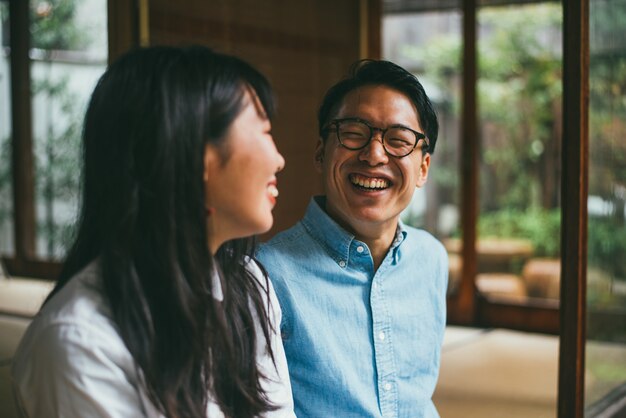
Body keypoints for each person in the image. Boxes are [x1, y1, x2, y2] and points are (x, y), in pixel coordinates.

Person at [12, 45, 295, 418]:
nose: (279, 159)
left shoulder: (248, 287)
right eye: (264, 131)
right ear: (196, 156)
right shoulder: (81, 342)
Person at [257, 59, 448, 418]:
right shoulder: (268, 274)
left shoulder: (432, 259)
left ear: (423, 169)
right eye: (354, 133)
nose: (374, 155)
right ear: (320, 152)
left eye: (398, 141)